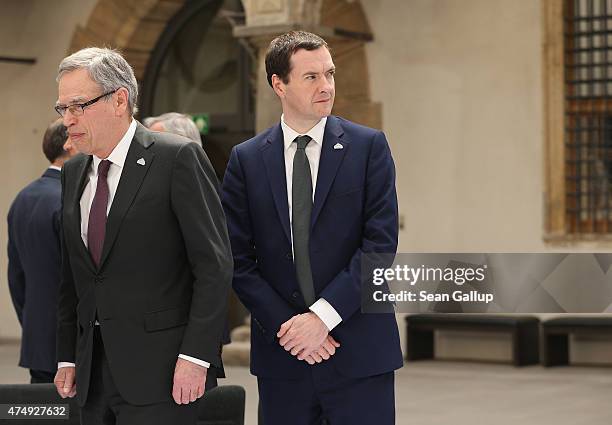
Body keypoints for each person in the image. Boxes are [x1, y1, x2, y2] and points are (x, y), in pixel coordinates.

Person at [221, 31, 403, 425]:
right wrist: (291, 329)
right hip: (283, 360)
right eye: (311, 77)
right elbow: (236, 259)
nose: (327, 86)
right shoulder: (246, 160)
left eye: (330, 74)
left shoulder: (369, 147)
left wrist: (321, 318)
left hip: (359, 354)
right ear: (278, 84)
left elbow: (379, 247)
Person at [53, 47, 232, 425]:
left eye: (77, 106)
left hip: (163, 372)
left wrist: (196, 356)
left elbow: (213, 266)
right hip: (90, 375)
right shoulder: (74, 173)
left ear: (120, 100)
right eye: (62, 108)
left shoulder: (177, 158)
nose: (67, 120)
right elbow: (74, 274)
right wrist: (67, 355)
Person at [7, 119, 77, 384]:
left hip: (37, 338)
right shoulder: (70, 198)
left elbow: (16, 276)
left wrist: (32, 321)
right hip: (71, 345)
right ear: (69, 147)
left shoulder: (22, 198)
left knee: (44, 414)